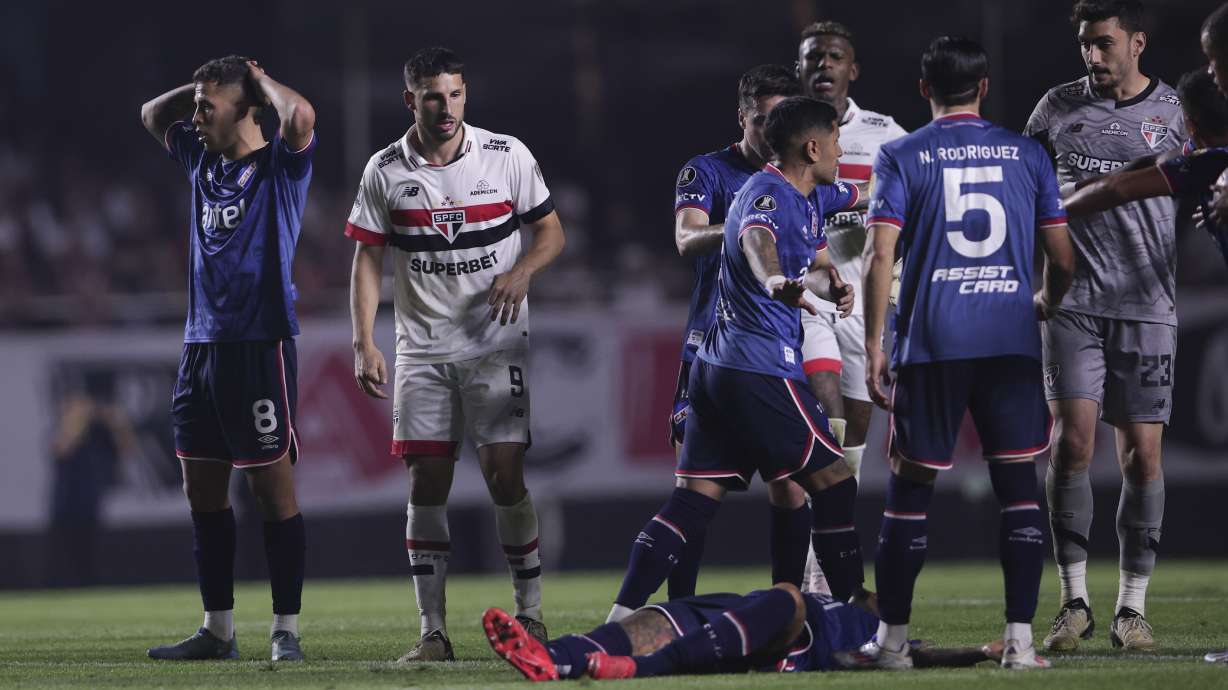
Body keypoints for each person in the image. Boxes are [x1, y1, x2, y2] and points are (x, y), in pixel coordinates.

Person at [849, 36, 1075, 671]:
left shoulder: (901, 154)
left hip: (934, 342)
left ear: (925, 90)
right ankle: (1021, 644)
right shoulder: (1028, 154)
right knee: (1018, 491)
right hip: (1008, 341)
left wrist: (875, 343)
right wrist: (1043, 301)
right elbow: (1062, 259)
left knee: (909, 489)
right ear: (983, 88)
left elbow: (879, 253)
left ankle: (891, 643)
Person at [606, 96, 862, 625]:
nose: (842, 149)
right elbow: (756, 239)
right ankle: (850, 620)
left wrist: (828, 279)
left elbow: (860, 196)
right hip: (759, 365)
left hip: (717, 369)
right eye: (836, 141)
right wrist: (772, 278)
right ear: (812, 147)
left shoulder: (812, 190)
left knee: (692, 501)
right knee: (836, 483)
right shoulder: (766, 193)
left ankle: (618, 620)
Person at [346, 46, 566, 662]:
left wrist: (521, 271)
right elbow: (366, 257)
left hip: (496, 347)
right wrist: (364, 339)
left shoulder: (506, 155)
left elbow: (551, 232)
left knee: (505, 476)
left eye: (455, 94)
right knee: (427, 484)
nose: (446, 108)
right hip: (421, 351)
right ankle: (433, 633)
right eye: (432, 97)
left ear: (466, 94)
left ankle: (531, 617)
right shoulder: (385, 170)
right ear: (410, 99)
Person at [1023, 0, 1188, 652]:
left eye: (1103, 44)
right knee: (1071, 443)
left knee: (1142, 456)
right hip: (1074, 303)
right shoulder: (1053, 111)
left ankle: (1131, 609)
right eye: (1085, 45)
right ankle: (1074, 602)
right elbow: (1027, 195)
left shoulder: (1173, 113)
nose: (1092, 57)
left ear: (1137, 42)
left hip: (1148, 305)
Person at [139, 55, 316, 661]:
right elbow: (148, 114)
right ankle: (218, 630)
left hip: (257, 345)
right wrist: (198, 88)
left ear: (246, 108)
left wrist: (257, 78)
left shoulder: (279, 167)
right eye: (197, 105)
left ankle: (285, 631)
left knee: (272, 491)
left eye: (208, 106)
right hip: (199, 348)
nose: (195, 116)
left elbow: (301, 114)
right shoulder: (200, 159)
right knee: (201, 492)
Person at [796, 20, 908, 482]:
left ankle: (829, 538)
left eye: (834, 57)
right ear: (798, 68)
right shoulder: (782, 133)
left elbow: (915, 209)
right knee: (825, 416)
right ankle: (815, 543)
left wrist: (899, 274)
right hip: (808, 290)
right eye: (813, 57)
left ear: (853, 70)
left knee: (855, 433)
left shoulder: (887, 134)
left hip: (866, 298)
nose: (823, 64)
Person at [483, 585, 997, 681]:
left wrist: (978, 651)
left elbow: (922, 655)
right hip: (731, 614)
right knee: (649, 620)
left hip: (790, 637)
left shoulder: (877, 633)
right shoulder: (849, 600)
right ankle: (548, 657)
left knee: (786, 598)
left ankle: (638, 670)